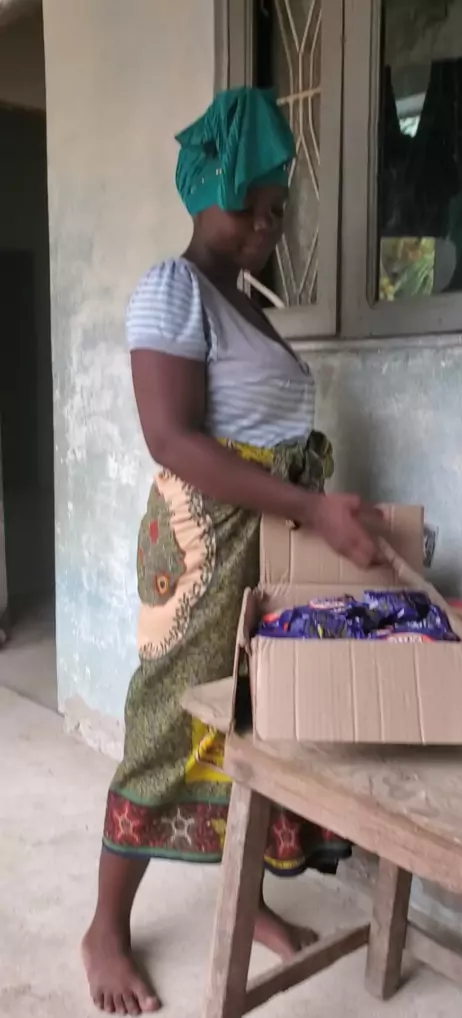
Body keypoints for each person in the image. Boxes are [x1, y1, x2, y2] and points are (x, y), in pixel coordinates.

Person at [83, 86, 380, 1016]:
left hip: (270, 538)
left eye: (276, 209)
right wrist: (310, 505)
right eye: (253, 204)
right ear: (207, 188)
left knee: (251, 725)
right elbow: (171, 439)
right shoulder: (172, 290)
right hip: (207, 549)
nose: (265, 225)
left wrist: (311, 513)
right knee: (171, 726)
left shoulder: (240, 303)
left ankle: (245, 898)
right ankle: (105, 926)